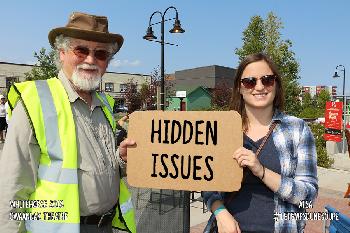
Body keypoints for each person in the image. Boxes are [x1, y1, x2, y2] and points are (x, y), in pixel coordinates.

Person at [0, 12, 136, 233]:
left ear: (107, 63)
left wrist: (120, 159)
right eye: (81, 50)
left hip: (107, 226)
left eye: (100, 54)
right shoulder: (35, 101)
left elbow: (101, 168)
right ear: (62, 53)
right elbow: (12, 187)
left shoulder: (105, 104)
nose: (91, 60)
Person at [203, 53, 318, 233]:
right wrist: (220, 212)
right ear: (239, 88)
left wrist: (262, 171)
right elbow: (207, 182)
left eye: (267, 80)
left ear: (276, 84)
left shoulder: (297, 129)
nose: (259, 87)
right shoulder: (223, 130)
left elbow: (308, 197)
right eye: (249, 81)